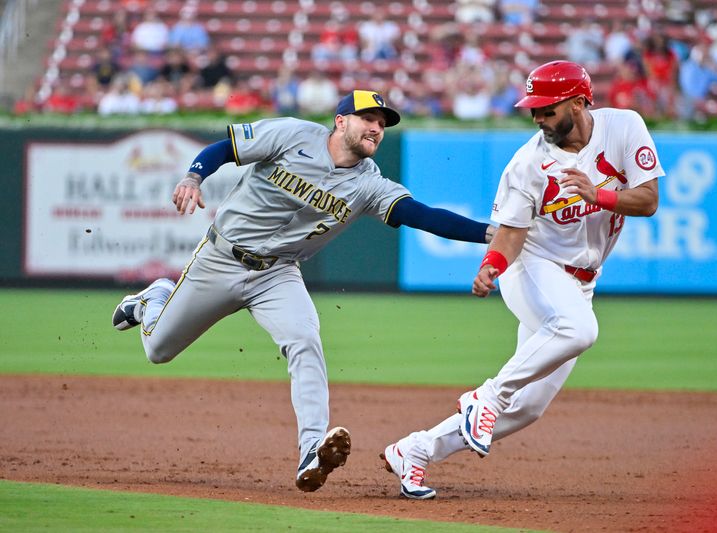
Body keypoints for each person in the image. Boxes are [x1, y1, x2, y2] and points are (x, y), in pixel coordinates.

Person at [110, 90, 497, 494]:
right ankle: (153, 299)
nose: (377, 129)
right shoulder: (293, 135)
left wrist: (492, 234)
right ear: (341, 121)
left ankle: (312, 449)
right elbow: (226, 148)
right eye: (369, 118)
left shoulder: (369, 184)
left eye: (383, 124)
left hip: (276, 274)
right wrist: (193, 176)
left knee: (305, 341)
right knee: (158, 350)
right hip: (221, 258)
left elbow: (422, 216)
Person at [381, 61, 662, 500]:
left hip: (581, 282)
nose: (537, 118)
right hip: (533, 266)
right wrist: (492, 264)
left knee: (528, 406)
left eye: (547, 109)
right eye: (534, 109)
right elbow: (512, 233)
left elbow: (647, 200)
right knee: (580, 329)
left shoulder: (624, 128)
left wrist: (600, 194)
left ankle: (414, 451)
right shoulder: (528, 163)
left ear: (577, 102)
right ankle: (486, 397)